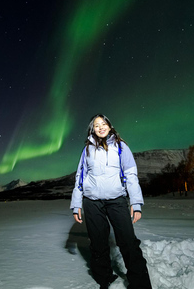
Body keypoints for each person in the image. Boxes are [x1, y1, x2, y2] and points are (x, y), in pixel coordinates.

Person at [70, 114, 152, 289]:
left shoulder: (121, 147)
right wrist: (76, 204)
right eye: (96, 125)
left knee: (128, 242)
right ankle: (104, 278)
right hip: (92, 202)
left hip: (117, 201)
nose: (101, 127)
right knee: (98, 243)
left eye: (103, 123)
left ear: (109, 125)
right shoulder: (87, 150)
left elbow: (131, 175)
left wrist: (136, 203)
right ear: (92, 130)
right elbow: (80, 177)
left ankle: (140, 284)